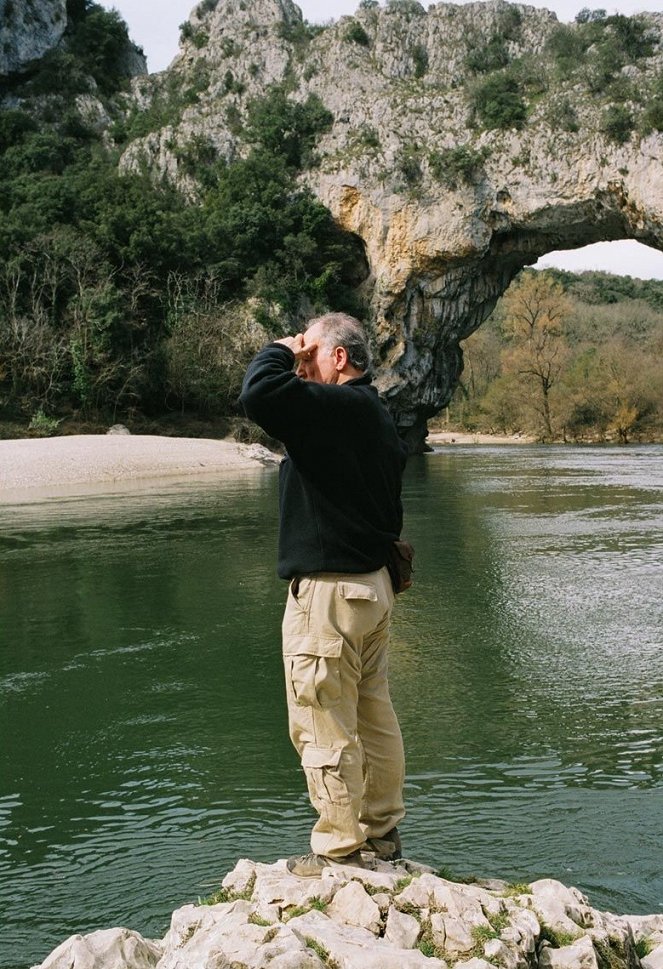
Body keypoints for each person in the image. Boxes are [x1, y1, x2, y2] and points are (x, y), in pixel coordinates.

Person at [240, 312, 408, 878]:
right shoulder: (374, 414)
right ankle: (382, 835)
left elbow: (261, 395)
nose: (304, 364)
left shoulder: (341, 408)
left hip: (331, 597)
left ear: (340, 358)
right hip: (372, 589)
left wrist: (282, 349)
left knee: (322, 719)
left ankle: (338, 850)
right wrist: (303, 358)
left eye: (313, 353)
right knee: (373, 713)